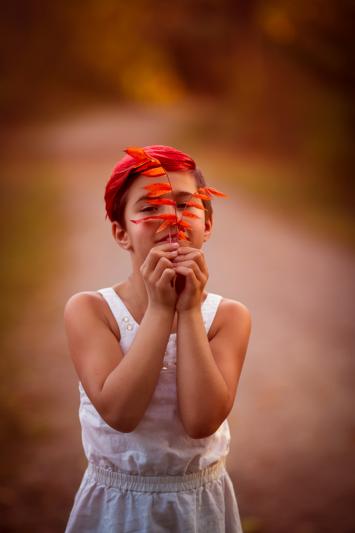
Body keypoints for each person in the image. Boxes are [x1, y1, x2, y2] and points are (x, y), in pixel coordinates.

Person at [63, 145, 252, 532]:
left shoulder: (229, 317)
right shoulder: (90, 311)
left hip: (199, 508)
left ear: (209, 225)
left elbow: (202, 421)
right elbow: (121, 414)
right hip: (118, 509)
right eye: (150, 209)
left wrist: (188, 311)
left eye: (185, 205)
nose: (171, 218)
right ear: (121, 232)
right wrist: (161, 309)